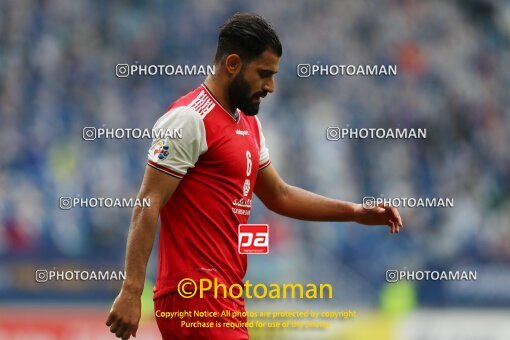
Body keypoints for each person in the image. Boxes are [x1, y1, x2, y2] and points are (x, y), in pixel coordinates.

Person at [106, 12, 403, 340]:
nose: (271, 86)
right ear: (232, 64)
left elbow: (280, 195)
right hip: (194, 294)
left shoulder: (249, 125)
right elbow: (148, 202)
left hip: (227, 297)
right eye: (264, 74)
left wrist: (355, 212)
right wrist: (132, 291)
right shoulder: (189, 119)